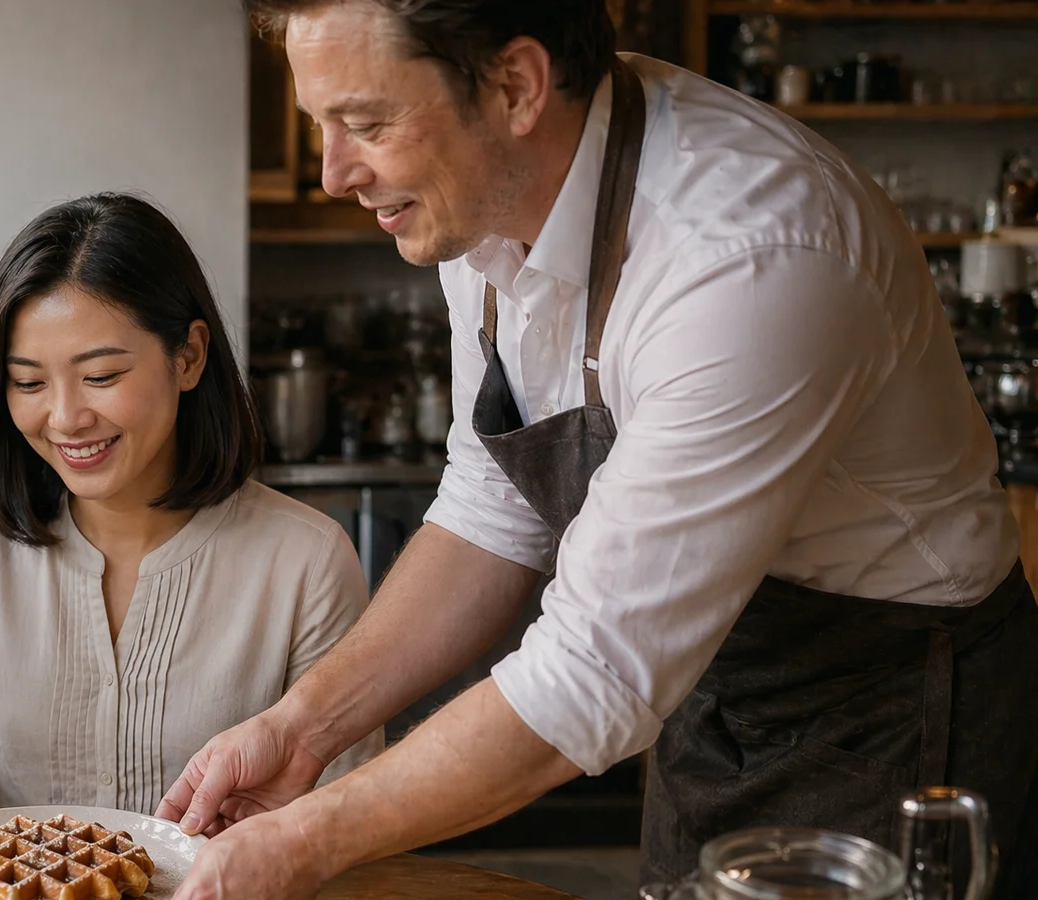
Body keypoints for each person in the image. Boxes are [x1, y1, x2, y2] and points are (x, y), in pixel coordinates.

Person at [158, 2, 1038, 897]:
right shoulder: (480, 204)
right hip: (713, 692)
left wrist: (304, 842)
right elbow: (490, 508)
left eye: (367, 123)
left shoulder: (748, 255)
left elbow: (594, 669)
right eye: (320, 125)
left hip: (896, 715)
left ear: (515, 87)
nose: (335, 171)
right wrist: (303, 729)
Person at [0, 193, 382, 836]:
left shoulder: (306, 559)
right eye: (29, 383)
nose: (64, 419)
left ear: (189, 357)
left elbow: (338, 810)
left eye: (102, 375)